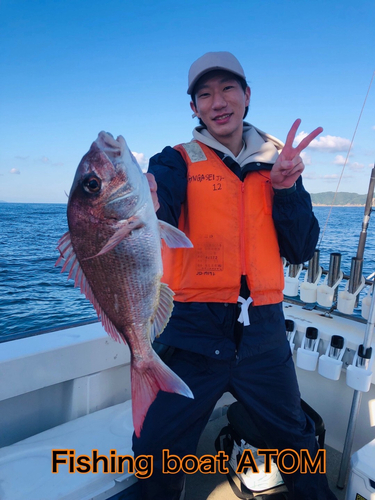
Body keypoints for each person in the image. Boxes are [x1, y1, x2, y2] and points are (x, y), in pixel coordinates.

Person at [133, 51, 338, 500]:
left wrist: (286, 191)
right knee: (154, 449)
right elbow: (159, 205)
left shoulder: (278, 165)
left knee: (297, 442)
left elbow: (301, 248)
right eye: (204, 94)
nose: (217, 101)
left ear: (247, 96)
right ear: (193, 108)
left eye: (227, 88)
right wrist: (145, 200)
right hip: (191, 329)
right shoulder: (174, 160)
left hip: (264, 333)